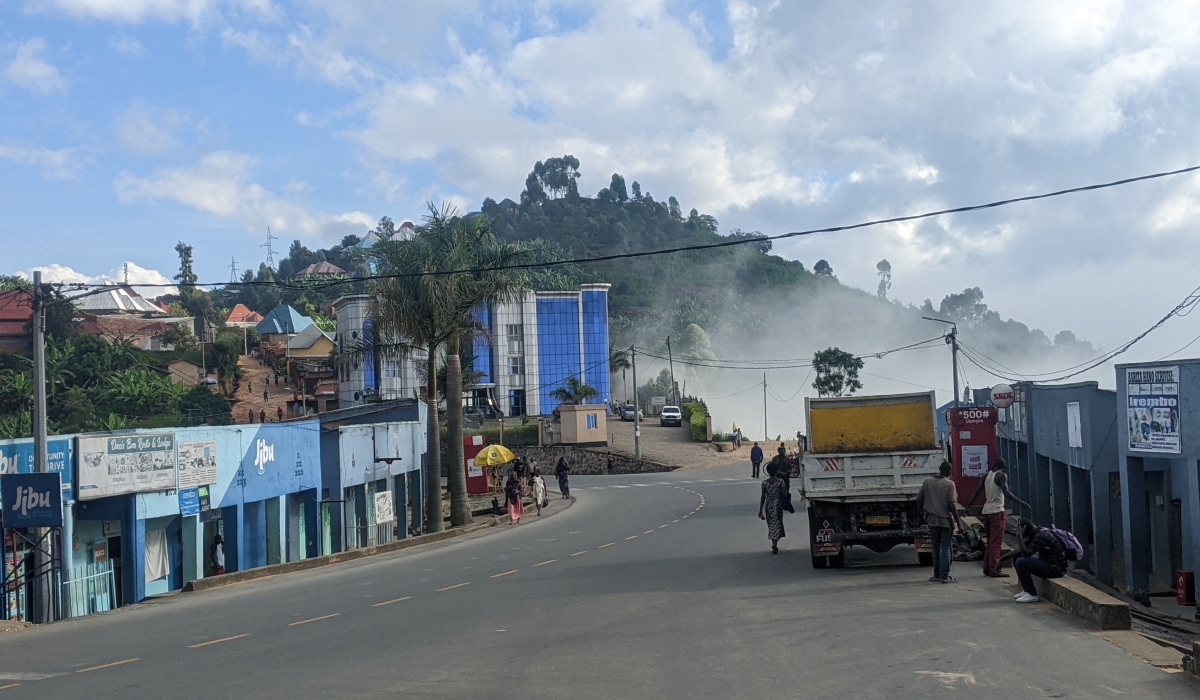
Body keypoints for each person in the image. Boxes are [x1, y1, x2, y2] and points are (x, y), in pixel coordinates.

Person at [967, 458, 1030, 578]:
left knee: (990, 541)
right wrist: (1021, 502)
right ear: (1002, 467)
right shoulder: (1001, 476)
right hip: (997, 512)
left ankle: (987, 567)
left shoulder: (986, 476)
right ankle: (993, 569)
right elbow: (1006, 492)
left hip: (986, 511)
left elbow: (976, 492)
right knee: (996, 542)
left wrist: (967, 507)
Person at [916, 461, 966, 583]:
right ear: (949, 472)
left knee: (935, 547)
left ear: (939, 469)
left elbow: (919, 499)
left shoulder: (928, 482)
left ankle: (936, 575)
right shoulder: (949, 484)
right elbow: (951, 505)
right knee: (945, 547)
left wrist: (924, 514)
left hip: (932, 520)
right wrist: (958, 522)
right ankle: (945, 576)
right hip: (946, 521)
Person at [1005, 518, 1069, 603]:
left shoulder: (1041, 535)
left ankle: (1032, 594)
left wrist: (1019, 538)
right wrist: (1001, 559)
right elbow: (1018, 550)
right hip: (1049, 564)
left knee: (1021, 561)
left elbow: (1027, 554)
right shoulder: (1035, 533)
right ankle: (1026, 590)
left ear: (1024, 528)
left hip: (1056, 569)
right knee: (1017, 557)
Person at [758, 463, 787, 554]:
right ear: (776, 471)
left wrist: (760, 511)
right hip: (777, 505)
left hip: (769, 506)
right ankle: (775, 543)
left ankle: (773, 542)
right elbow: (785, 494)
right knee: (777, 524)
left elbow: (763, 497)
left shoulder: (765, 483)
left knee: (771, 524)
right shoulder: (780, 482)